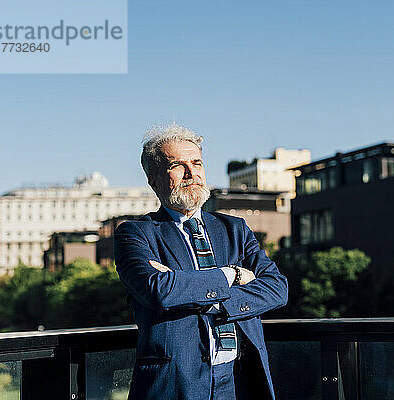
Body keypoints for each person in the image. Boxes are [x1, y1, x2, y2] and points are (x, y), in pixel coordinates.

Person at [114, 123, 288, 400]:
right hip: (174, 383)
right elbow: (160, 290)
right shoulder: (135, 233)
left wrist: (190, 287)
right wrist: (232, 275)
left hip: (239, 378)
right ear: (154, 179)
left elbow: (277, 289)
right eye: (176, 165)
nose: (191, 172)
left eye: (196, 163)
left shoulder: (235, 229)